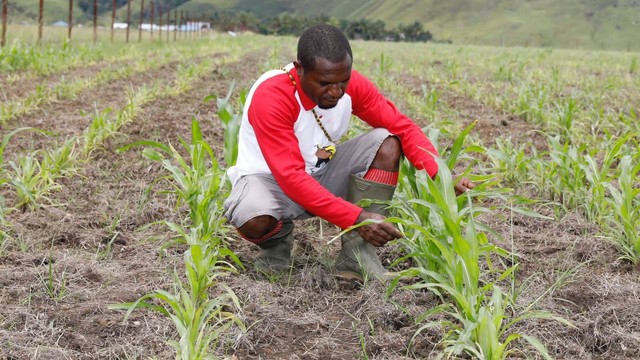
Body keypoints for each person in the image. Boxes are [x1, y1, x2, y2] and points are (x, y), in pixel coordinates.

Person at [224, 24, 474, 281]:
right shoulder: (273, 96)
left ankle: (356, 258)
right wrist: (357, 218)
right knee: (252, 216)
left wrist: (442, 176)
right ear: (299, 69)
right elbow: (291, 178)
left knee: (387, 142)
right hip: (268, 181)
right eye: (325, 83)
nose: (336, 92)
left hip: (319, 172)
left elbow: (402, 127)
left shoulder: (349, 86)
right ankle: (276, 251)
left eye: (343, 81)